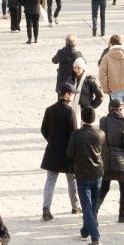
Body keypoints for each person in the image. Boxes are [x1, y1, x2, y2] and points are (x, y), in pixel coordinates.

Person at [41, 87, 81, 220]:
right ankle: (75, 206)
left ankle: (46, 208)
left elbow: (43, 129)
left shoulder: (49, 109)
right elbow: (74, 133)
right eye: (72, 94)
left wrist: (51, 140)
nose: (73, 97)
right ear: (67, 94)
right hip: (67, 152)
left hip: (52, 150)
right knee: (72, 180)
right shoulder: (69, 111)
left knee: (50, 181)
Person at [71, 104, 108, 244]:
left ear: (82, 118)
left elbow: (69, 153)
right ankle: (85, 231)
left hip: (82, 175)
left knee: (87, 207)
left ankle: (95, 236)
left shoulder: (76, 134)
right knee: (92, 206)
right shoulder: (101, 134)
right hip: (98, 173)